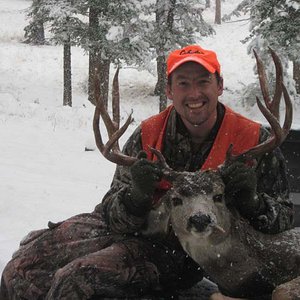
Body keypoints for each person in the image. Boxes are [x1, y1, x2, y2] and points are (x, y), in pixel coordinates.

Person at [0, 45, 294, 300]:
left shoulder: (255, 141)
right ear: (168, 90)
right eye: (183, 83)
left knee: (75, 278)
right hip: (135, 229)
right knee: (22, 270)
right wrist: (136, 195)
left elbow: (283, 219)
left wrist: (252, 201)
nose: (194, 93)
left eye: (203, 82)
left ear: (219, 85)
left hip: (184, 252)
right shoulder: (148, 134)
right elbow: (110, 213)